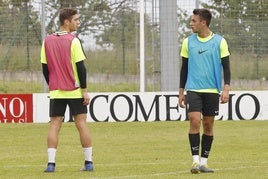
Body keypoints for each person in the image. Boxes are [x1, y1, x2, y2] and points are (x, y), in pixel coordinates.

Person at [41, 8, 93, 172]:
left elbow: (44, 68)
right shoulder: (74, 41)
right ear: (66, 22)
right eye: (76, 19)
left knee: (55, 125)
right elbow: (81, 68)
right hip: (75, 90)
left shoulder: (47, 41)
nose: (78, 22)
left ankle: (51, 165)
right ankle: (89, 163)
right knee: (81, 124)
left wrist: (53, 84)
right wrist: (84, 90)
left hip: (56, 91)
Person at [178, 8, 231, 174]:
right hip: (193, 89)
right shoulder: (187, 42)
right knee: (194, 120)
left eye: (194, 21)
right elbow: (184, 69)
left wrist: (226, 88)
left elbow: (226, 67)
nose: (190, 23)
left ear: (203, 23)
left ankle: (203, 163)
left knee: (208, 125)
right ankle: (194, 162)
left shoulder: (220, 42)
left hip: (212, 90)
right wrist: (181, 92)